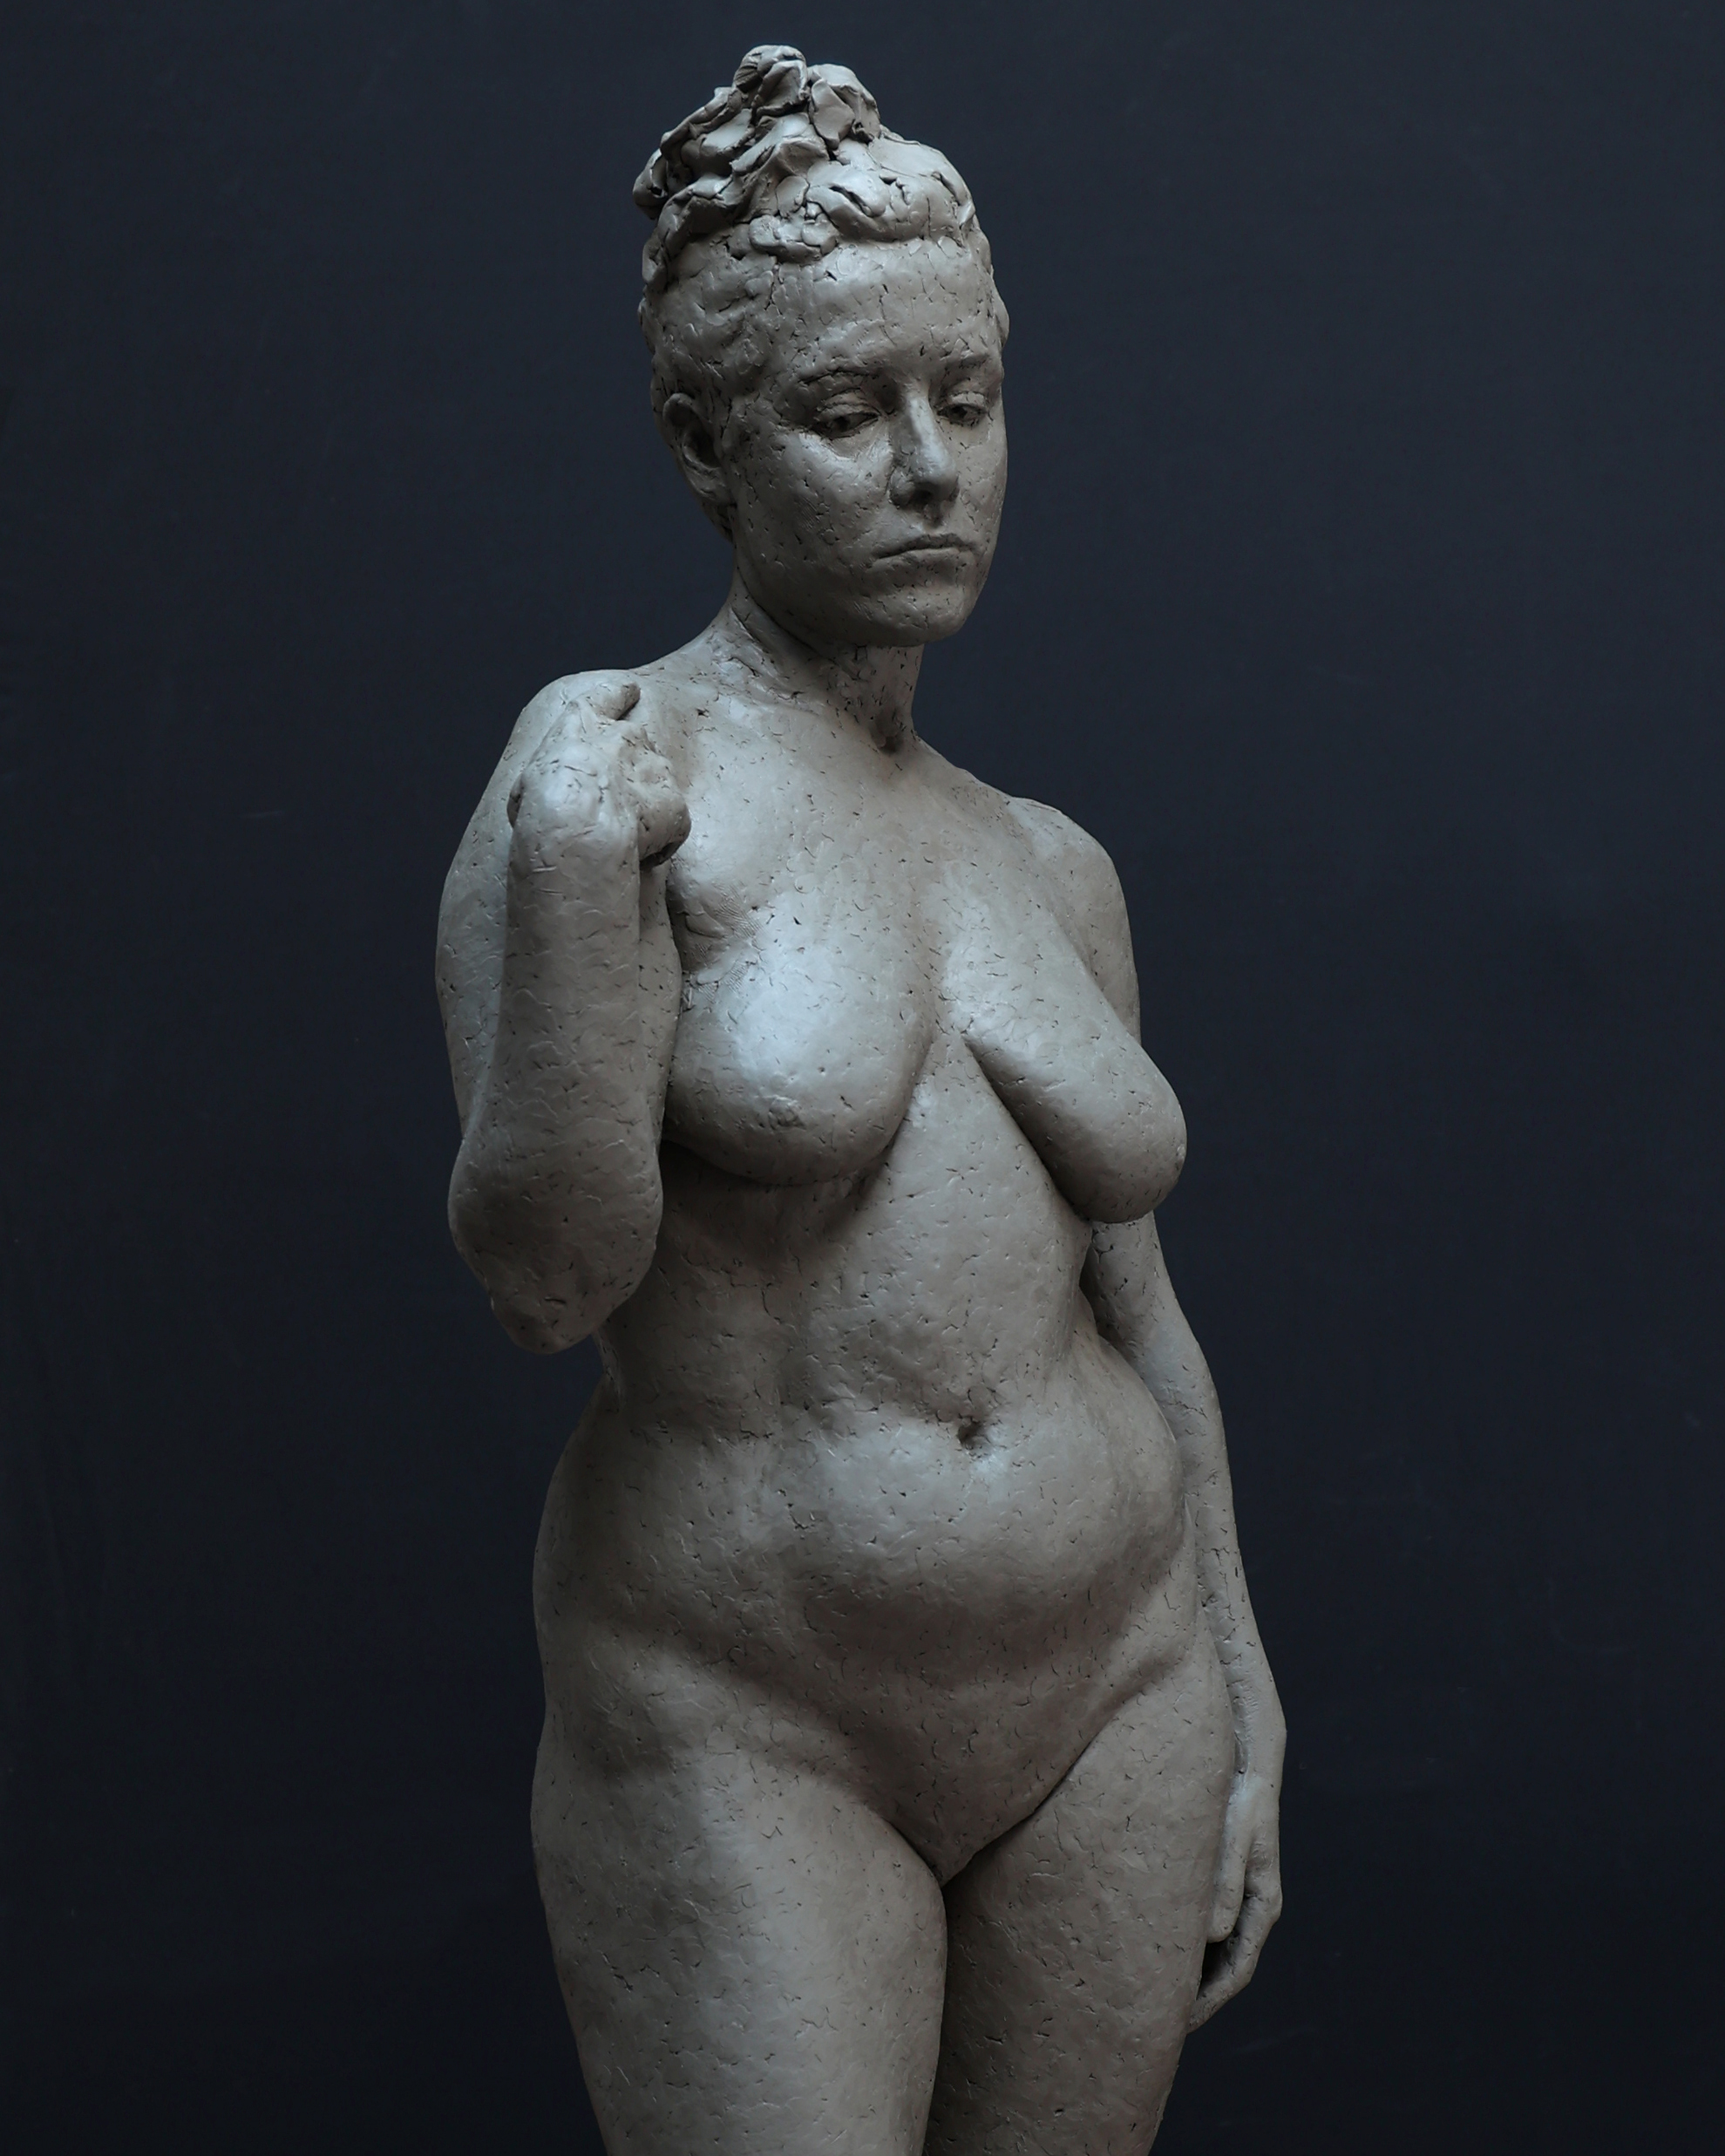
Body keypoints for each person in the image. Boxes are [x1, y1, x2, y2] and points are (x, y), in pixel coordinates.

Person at [437, 46, 1282, 2155]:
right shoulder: (610, 778)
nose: (928, 468)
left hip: (1119, 1683)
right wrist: (574, 904)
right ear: (703, 444)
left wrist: (1244, 1670)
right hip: (754, 1701)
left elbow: (1142, 1319)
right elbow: (546, 1281)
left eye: (967, 402)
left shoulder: (1050, 863)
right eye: (847, 413)